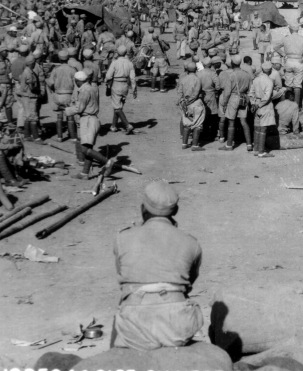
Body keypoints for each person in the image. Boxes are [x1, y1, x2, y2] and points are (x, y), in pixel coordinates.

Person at [111, 181, 203, 351]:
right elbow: (189, 283)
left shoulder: (122, 238)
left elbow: (122, 280)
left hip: (135, 324)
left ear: (142, 208)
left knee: (125, 299)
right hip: (177, 326)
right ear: (175, 211)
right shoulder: (191, 243)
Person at [65, 70, 115, 180]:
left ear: (77, 81)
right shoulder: (91, 88)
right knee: (88, 148)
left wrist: (67, 110)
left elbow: (80, 108)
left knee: (84, 149)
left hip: (88, 120)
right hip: (92, 119)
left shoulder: (84, 91)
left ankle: (107, 162)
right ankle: (85, 173)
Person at [219, 55, 252, 152]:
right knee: (243, 121)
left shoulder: (232, 75)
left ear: (232, 64)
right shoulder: (247, 74)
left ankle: (229, 145)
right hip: (243, 97)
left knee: (231, 122)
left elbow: (227, 92)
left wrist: (224, 103)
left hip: (233, 98)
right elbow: (250, 89)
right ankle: (249, 144)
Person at [273, 22, 303, 106]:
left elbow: (275, 46)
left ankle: (287, 104)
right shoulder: (302, 38)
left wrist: (284, 55)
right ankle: (296, 105)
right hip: (298, 61)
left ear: (290, 29)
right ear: (298, 30)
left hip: (289, 61)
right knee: (297, 85)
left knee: (288, 84)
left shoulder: (286, 38)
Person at [105, 45, 137, 135]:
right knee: (119, 105)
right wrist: (134, 89)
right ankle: (113, 126)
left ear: (117, 53)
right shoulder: (130, 63)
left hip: (116, 84)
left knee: (117, 106)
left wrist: (106, 81)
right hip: (125, 86)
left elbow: (108, 76)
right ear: (126, 52)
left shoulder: (114, 62)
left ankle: (127, 125)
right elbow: (133, 78)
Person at [47, 50, 77, 141]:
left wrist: (53, 91)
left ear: (59, 59)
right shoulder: (72, 70)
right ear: (68, 58)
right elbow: (76, 84)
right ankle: (73, 137)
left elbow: (50, 83)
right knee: (70, 117)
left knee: (59, 117)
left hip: (58, 95)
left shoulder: (55, 70)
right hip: (68, 95)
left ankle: (60, 137)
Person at [250, 61, 277, 158]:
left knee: (257, 128)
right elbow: (267, 96)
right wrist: (260, 104)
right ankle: (261, 151)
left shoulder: (256, 79)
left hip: (256, 104)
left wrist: (253, 103)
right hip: (264, 106)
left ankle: (256, 149)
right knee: (263, 129)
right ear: (270, 71)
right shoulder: (269, 81)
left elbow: (251, 93)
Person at [177, 61, 205, 151]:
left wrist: (183, 102)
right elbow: (195, 94)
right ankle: (195, 145)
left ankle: (184, 144)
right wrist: (189, 101)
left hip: (185, 104)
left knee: (186, 123)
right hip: (195, 103)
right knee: (197, 124)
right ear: (196, 69)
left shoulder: (182, 79)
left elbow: (179, 92)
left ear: (187, 70)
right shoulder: (197, 79)